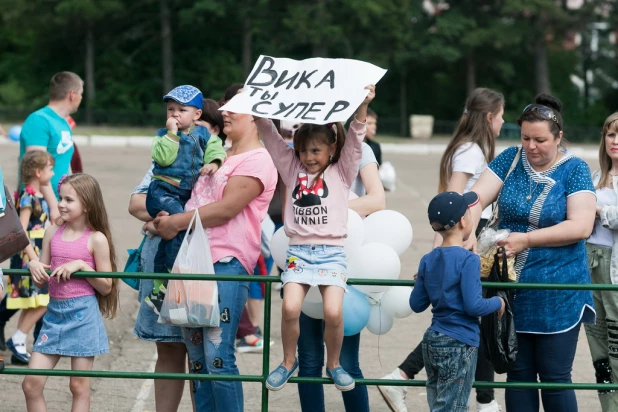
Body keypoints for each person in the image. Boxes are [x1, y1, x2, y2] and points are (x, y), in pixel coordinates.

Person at [378, 87, 506, 412]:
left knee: (455, 318)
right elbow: (454, 200)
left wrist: (434, 258)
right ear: (490, 116)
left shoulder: (467, 148)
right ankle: (484, 399)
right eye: (501, 115)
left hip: (459, 236)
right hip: (467, 237)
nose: (503, 122)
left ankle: (480, 397)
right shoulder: (471, 151)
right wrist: (445, 252)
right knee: (468, 316)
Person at [152, 83, 277, 412]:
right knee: (196, 360)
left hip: (225, 261)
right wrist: (159, 215)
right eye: (224, 105)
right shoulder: (217, 149)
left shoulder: (258, 160)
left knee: (217, 357)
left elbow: (225, 209)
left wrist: (175, 223)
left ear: (256, 116)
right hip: (190, 260)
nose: (224, 111)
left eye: (234, 106)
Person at [469, 94, 596, 412]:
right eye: (525, 137)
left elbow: (581, 226)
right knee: (518, 375)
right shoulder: (509, 159)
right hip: (511, 289)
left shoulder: (575, 169)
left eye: (540, 139)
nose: (531, 146)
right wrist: (461, 228)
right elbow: (474, 199)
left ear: (559, 137)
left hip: (560, 290)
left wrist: (526, 240)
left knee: (555, 377)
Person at [258, 85, 375, 392]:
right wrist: (257, 106)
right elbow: (269, 137)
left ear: (331, 150)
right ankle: (287, 361)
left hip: (331, 252)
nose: (308, 157)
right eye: (303, 151)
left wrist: (362, 106)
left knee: (334, 312)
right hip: (298, 252)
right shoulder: (291, 168)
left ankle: (333, 364)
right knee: (290, 307)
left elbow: (355, 138)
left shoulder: (342, 171)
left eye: (315, 151)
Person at [296, 135, 386, 410]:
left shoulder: (359, 149)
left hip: (344, 257)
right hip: (303, 257)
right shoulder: (302, 149)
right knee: (309, 361)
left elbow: (377, 200)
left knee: (346, 363)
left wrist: (328, 210)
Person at [22, 173, 118, 412]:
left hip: (83, 316)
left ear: (87, 204)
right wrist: (33, 266)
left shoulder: (97, 239)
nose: (61, 204)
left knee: (78, 386)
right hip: (54, 316)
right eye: (61, 198)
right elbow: (42, 282)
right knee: (31, 384)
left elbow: (106, 286)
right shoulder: (51, 233)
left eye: (69, 200)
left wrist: (82, 266)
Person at [411, 191, 505, 411]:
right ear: (464, 220)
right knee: (454, 407)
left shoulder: (428, 259)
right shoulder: (468, 259)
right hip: (460, 342)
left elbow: (417, 304)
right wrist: (498, 303)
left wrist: (423, 281)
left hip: (432, 340)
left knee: (439, 405)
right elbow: (474, 306)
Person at [144, 85, 226, 313]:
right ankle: (171, 277)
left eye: (182, 109)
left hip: (182, 196)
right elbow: (165, 158)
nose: (175, 114)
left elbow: (217, 148)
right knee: (180, 224)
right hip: (162, 192)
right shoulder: (162, 137)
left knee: (171, 235)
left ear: (197, 114)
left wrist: (214, 163)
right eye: (171, 109)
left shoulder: (203, 135)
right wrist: (171, 134)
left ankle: (160, 287)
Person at [129, 165, 189, 412]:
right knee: (167, 345)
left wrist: (168, 221)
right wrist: (166, 221)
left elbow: (217, 211)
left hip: (201, 259)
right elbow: (136, 203)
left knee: (201, 353)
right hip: (162, 265)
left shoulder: (219, 159)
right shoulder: (168, 157)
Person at [6, 151, 55, 365]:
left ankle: (18, 339)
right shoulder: (28, 197)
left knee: (36, 301)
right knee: (43, 299)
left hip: (37, 252)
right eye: (50, 169)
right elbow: (22, 230)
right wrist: (33, 257)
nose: (52, 174)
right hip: (30, 254)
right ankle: (18, 338)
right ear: (38, 172)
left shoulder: (38, 194)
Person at [585, 112, 618, 411]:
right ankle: (608, 405)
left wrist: (598, 211)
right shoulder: (595, 176)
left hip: (615, 269)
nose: (615, 141)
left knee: (617, 343)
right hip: (589, 264)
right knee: (598, 344)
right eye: (610, 134)